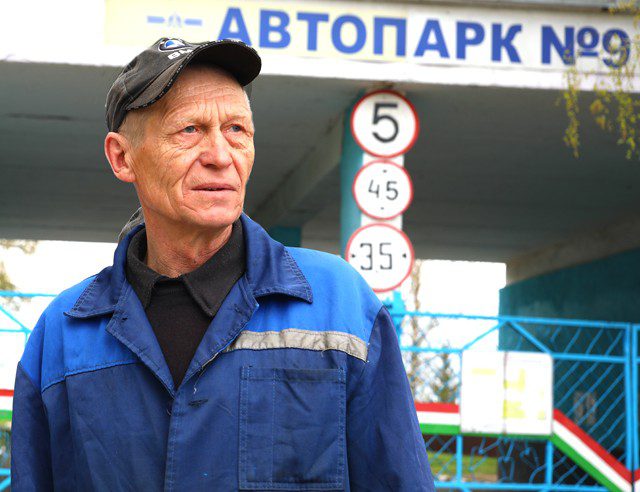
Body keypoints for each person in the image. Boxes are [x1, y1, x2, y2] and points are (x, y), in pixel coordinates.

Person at [11, 37, 434, 491]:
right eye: (189, 129)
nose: (220, 155)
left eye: (236, 129)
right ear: (122, 157)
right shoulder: (62, 335)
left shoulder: (340, 306)